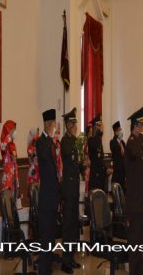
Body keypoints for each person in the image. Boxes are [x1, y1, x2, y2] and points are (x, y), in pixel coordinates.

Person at [125, 107, 143, 275]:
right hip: (136, 202)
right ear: (136, 126)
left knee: (141, 239)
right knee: (135, 241)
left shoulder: (138, 144)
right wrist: (140, 135)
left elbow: (140, 167)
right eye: (142, 125)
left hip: (142, 201)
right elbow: (134, 154)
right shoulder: (131, 143)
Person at [36, 109, 60, 275]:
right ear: (48, 124)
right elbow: (44, 157)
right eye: (53, 124)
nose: (54, 127)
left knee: (51, 234)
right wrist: (51, 140)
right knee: (45, 235)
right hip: (45, 196)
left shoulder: (51, 142)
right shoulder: (41, 142)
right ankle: (43, 269)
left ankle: (49, 265)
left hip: (53, 195)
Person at [60, 108, 81, 274]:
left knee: (74, 225)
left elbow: (75, 164)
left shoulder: (72, 141)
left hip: (74, 190)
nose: (75, 126)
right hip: (68, 190)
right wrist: (74, 138)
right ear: (68, 125)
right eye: (73, 124)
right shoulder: (65, 141)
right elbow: (67, 155)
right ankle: (65, 261)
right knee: (67, 226)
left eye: (75, 124)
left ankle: (71, 257)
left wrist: (83, 165)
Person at [0, 120, 19, 201]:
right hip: (7, 178)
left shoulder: (13, 144)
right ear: (8, 130)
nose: (15, 132)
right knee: (7, 201)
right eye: (13, 129)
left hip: (14, 176)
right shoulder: (4, 144)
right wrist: (8, 137)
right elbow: (1, 147)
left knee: (14, 202)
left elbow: (14, 159)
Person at [88, 114, 105, 191]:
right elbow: (94, 147)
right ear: (94, 126)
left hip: (101, 174)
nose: (100, 127)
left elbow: (101, 157)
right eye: (98, 125)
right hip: (95, 174)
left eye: (100, 125)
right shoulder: (91, 140)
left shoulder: (99, 140)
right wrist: (99, 133)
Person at [110, 121, 126, 192]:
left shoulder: (122, 142)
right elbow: (114, 148)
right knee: (117, 193)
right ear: (116, 131)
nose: (121, 131)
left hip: (123, 171)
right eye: (119, 130)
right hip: (117, 171)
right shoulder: (112, 142)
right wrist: (118, 139)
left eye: (120, 130)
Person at [27, 127, 40, 198]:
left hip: (38, 172)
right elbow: (32, 154)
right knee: (33, 194)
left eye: (38, 133)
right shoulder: (30, 147)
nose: (38, 135)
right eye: (36, 133)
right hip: (33, 173)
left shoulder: (37, 146)